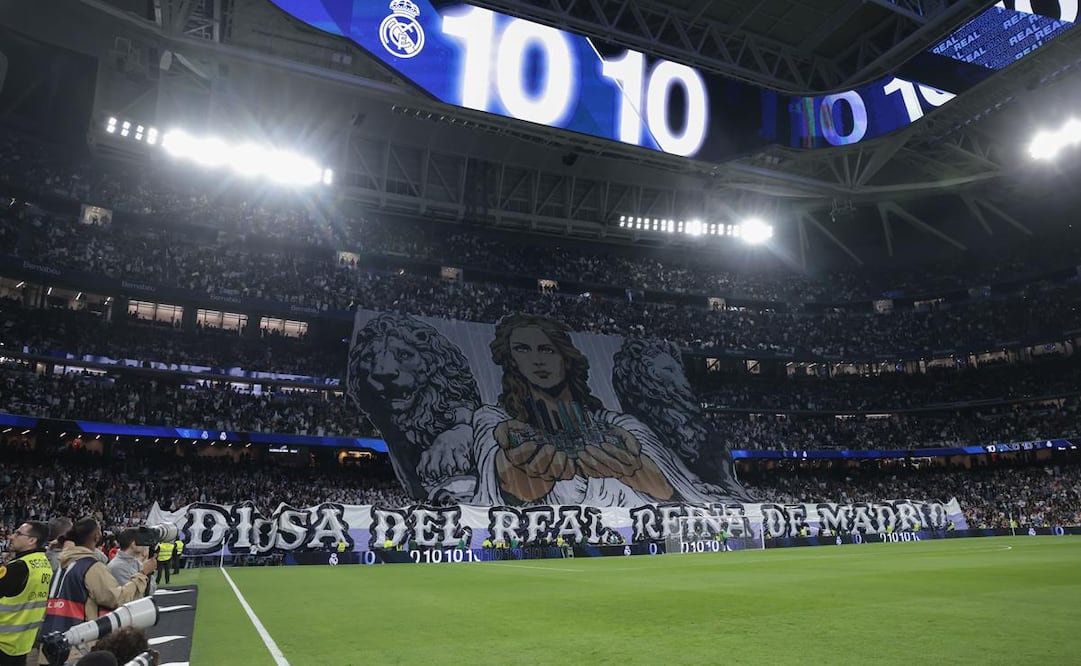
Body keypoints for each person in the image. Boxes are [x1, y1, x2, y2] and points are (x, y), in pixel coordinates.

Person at [471, 313, 725, 506]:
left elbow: (668, 489)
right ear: (512, 360)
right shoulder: (496, 422)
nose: (537, 359)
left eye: (547, 349)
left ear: (565, 356)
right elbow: (513, 486)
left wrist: (633, 468)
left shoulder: (624, 427)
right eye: (523, 349)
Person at [39, 517, 155, 664]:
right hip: (76, 647)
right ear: (96, 536)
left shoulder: (63, 563)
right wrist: (142, 575)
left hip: (50, 647)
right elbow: (118, 599)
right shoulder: (90, 566)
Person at [0, 521, 52, 666]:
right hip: (22, 644)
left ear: (32, 540)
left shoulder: (18, 568)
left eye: (18, 533)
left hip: (3, 642)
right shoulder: (45, 565)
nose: (11, 536)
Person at [107, 529, 154, 596]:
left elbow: (152, 589)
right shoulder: (117, 567)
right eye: (141, 541)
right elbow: (135, 594)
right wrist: (144, 572)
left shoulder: (136, 562)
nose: (144, 545)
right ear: (133, 544)